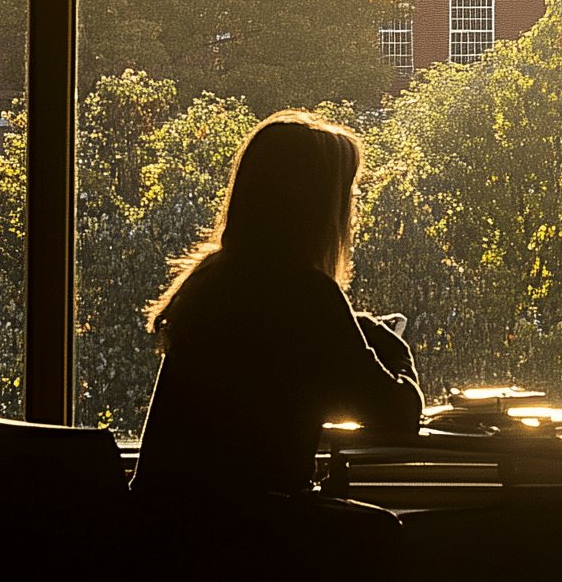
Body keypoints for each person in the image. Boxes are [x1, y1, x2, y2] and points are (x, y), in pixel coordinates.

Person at [131, 111, 424, 562]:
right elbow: (399, 413)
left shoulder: (209, 282)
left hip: (168, 530)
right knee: (384, 537)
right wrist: (390, 345)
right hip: (249, 533)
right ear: (317, 207)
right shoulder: (307, 295)